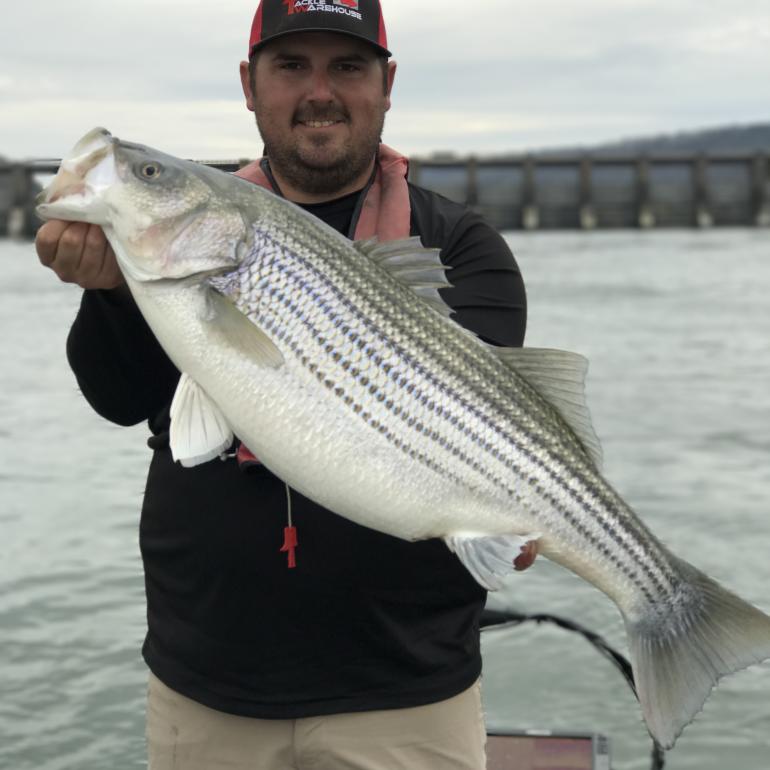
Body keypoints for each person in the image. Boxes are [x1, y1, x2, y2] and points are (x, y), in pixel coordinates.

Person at [35, 1, 534, 768]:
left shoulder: (458, 246)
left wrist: (519, 513)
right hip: (205, 683)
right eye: (291, 66)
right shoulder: (177, 248)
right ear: (250, 83)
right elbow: (118, 397)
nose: (320, 91)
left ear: (387, 83)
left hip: (405, 691)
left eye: (348, 66)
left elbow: (479, 437)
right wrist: (110, 292)